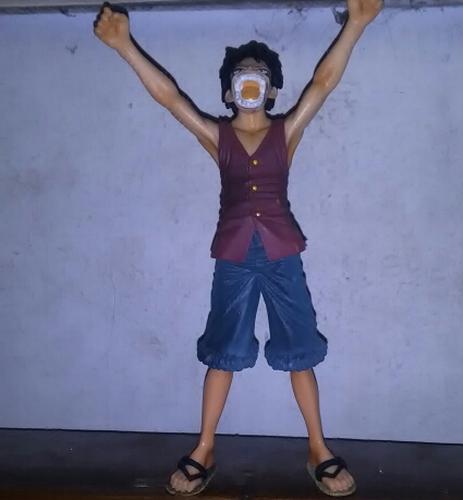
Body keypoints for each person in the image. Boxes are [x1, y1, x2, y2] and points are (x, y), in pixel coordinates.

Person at [93, 0, 382, 495]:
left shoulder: (286, 132)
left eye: (261, 74)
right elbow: (171, 98)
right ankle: (204, 446)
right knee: (223, 350)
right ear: (229, 91)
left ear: (272, 90)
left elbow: (323, 83)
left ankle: (318, 446)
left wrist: (355, 24)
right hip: (233, 256)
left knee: (300, 348)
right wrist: (124, 46)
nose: (251, 80)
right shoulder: (218, 136)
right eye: (242, 75)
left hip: (282, 253)